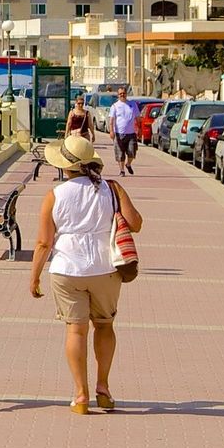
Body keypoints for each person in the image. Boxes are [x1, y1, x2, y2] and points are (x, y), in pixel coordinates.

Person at [30, 134, 141, 415]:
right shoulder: (111, 188)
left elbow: (44, 242)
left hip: (66, 269)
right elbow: (136, 224)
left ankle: (81, 395)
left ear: (64, 166)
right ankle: (103, 386)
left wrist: (34, 277)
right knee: (104, 326)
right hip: (105, 267)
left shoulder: (55, 195)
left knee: (75, 330)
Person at [107, 86, 140, 176]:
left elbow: (137, 118)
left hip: (131, 133)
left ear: (126, 94)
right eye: (120, 94)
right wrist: (111, 131)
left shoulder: (132, 104)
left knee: (132, 152)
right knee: (120, 153)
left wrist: (139, 129)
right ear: (118, 95)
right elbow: (111, 120)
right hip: (119, 133)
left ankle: (128, 164)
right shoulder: (115, 106)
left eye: (124, 93)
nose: (122, 95)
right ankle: (122, 170)